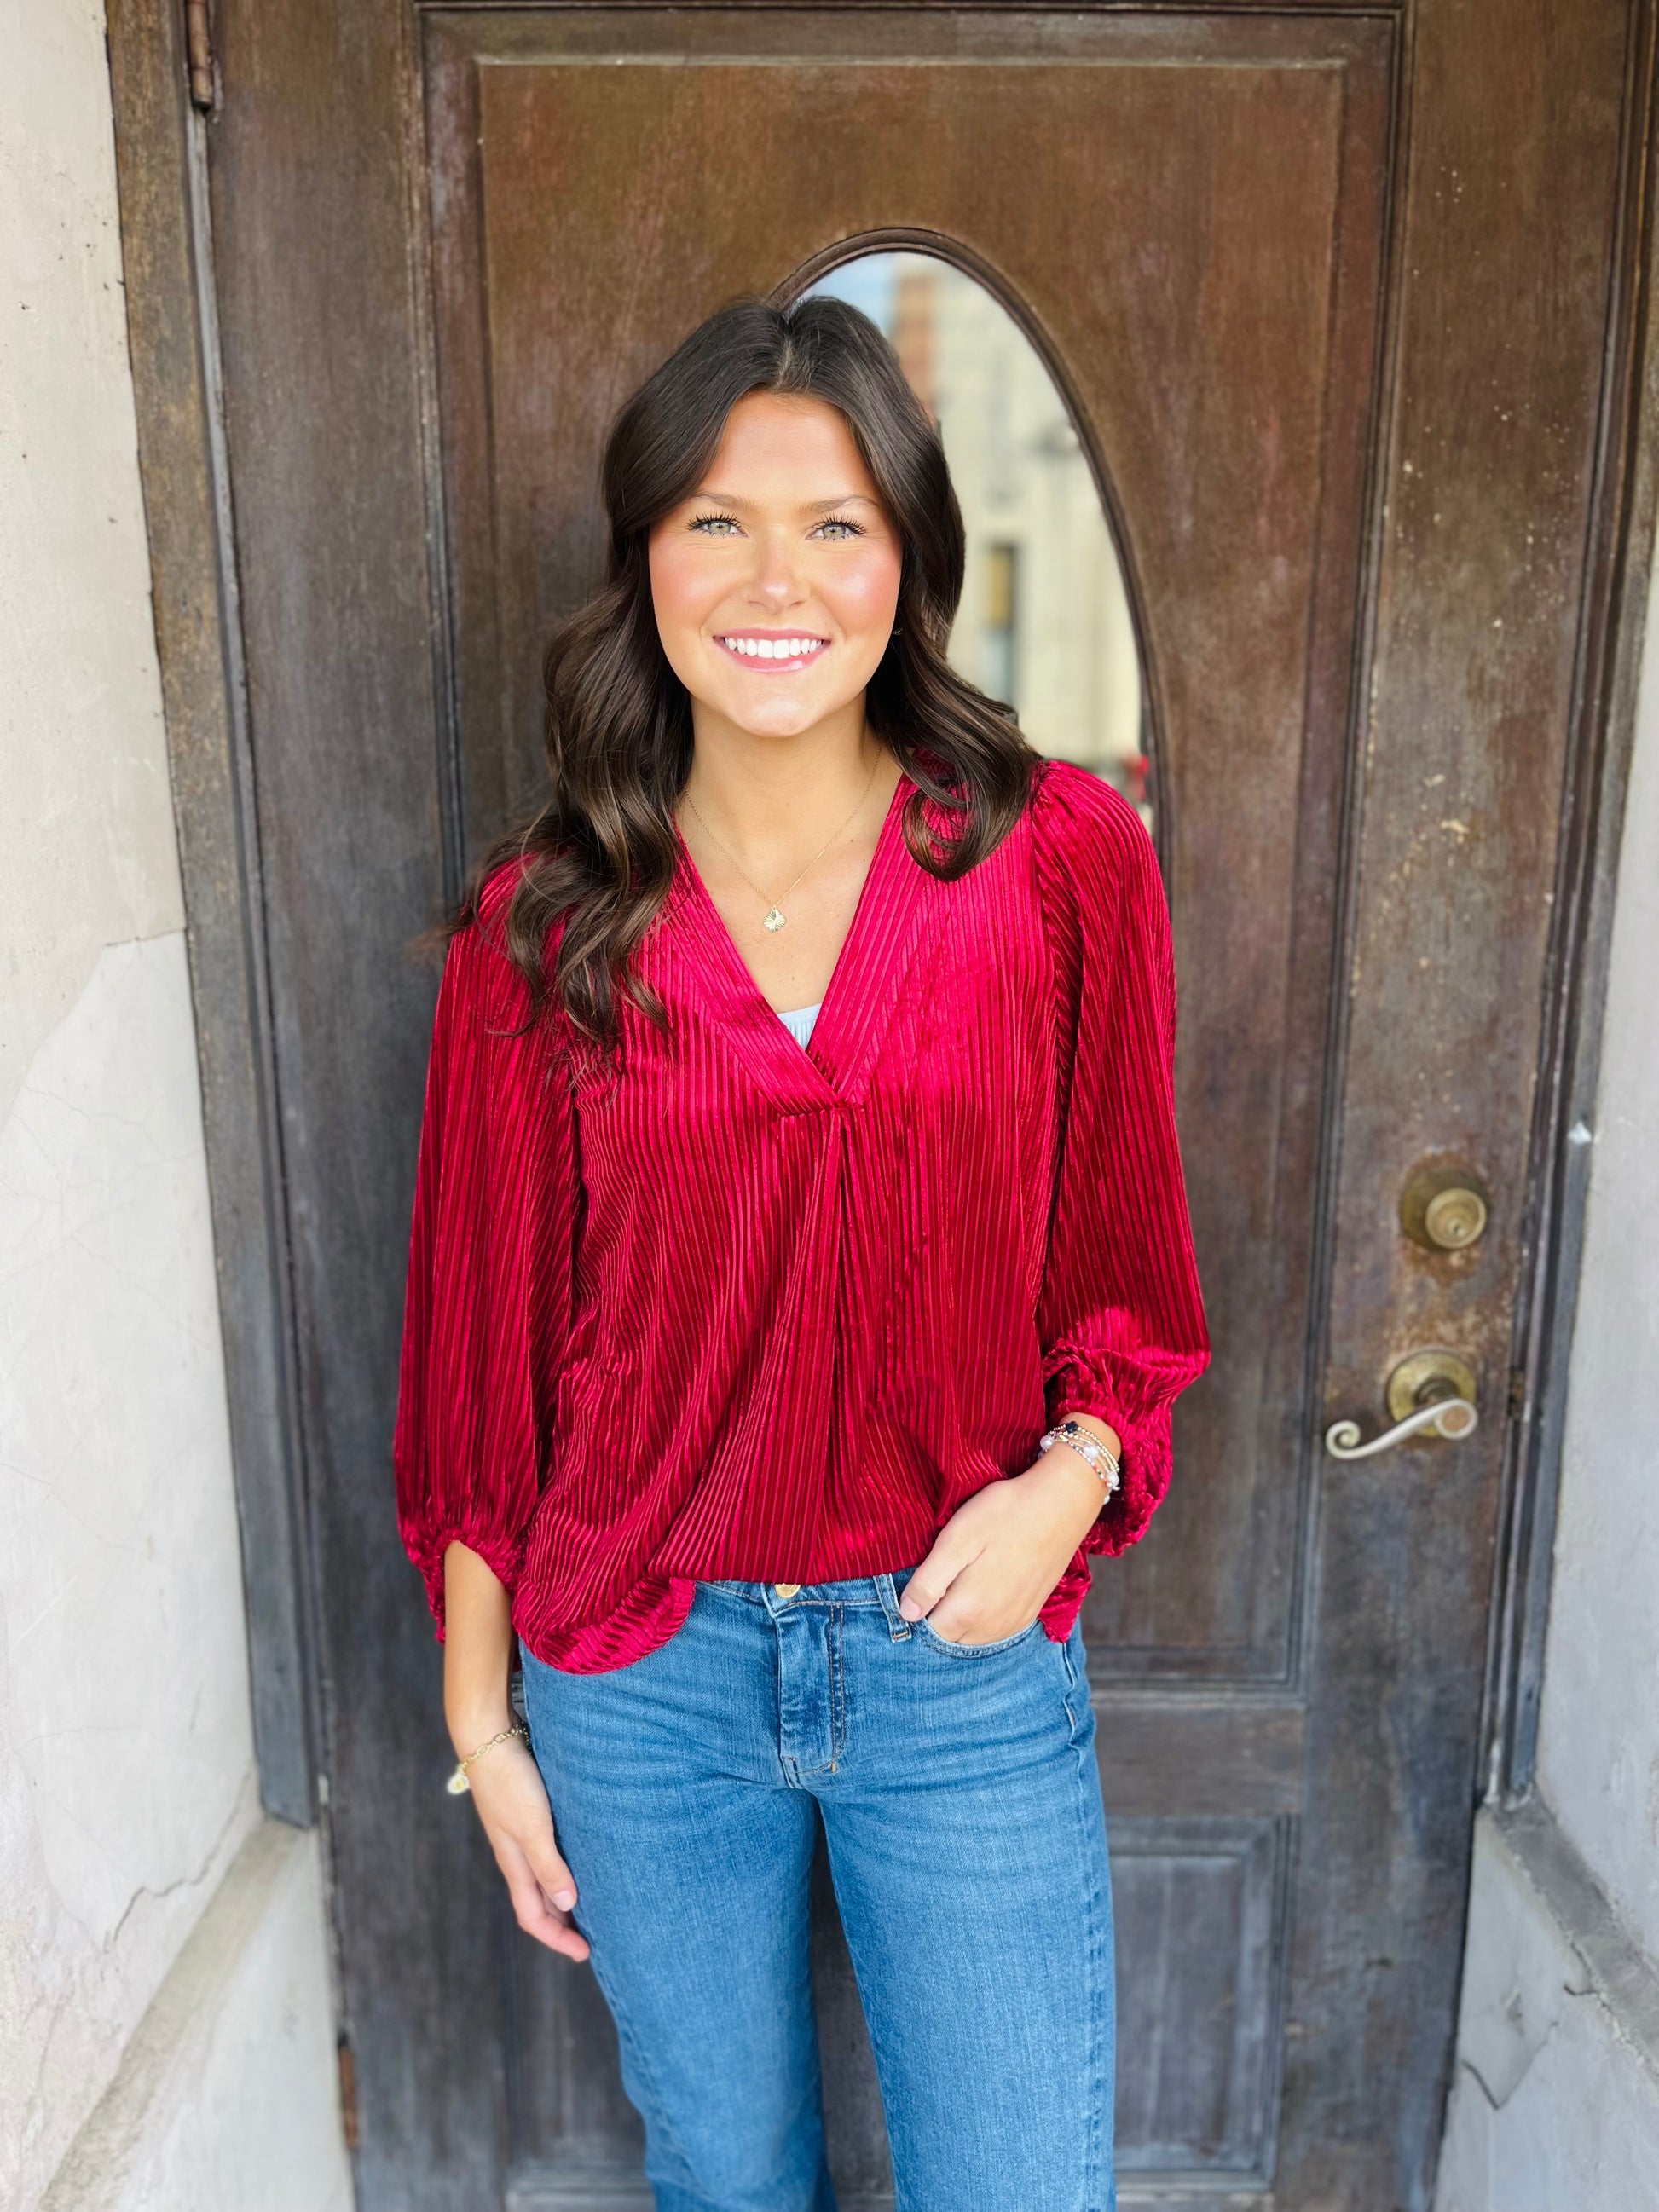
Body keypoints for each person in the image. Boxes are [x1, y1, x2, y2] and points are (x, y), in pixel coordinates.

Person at [393, 292, 1210, 2212]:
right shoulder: (541, 923)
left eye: (835, 523)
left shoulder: (1058, 860)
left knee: (1021, 2186)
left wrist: (1069, 1484)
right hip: (643, 1669)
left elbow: (1128, 1273)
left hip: (957, 1653)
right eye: (717, 521)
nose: (777, 580)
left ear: (906, 558)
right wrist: (482, 1727)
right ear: (644, 560)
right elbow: (480, 1372)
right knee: (728, 2175)